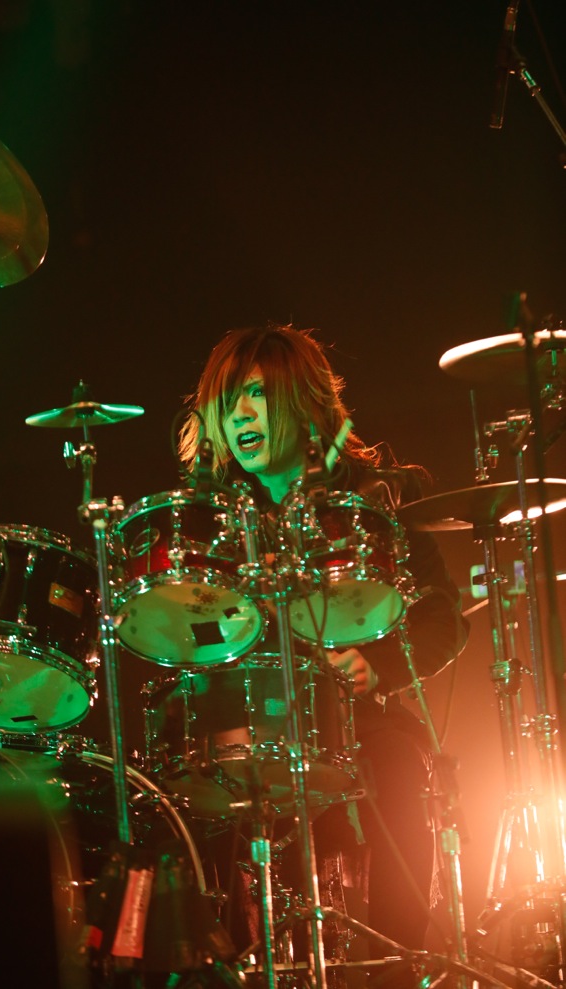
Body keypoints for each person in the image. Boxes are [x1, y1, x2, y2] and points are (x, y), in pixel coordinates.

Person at [176, 321, 469, 984]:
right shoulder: (208, 520)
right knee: (188, 798)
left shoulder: (374, 499)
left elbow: (444, 618)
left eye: (257, 394)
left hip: (361, 725)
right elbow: (189, 633)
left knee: (398, 769)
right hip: (253, 727)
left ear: (304, 401)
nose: (240, 415)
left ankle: (397, 968)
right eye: (228, 401)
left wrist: (378, 667)